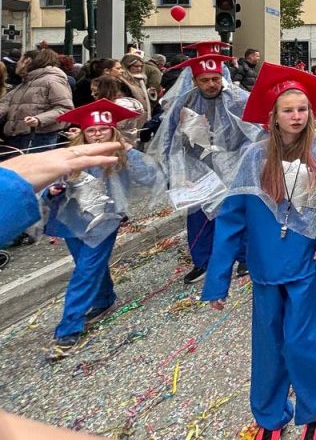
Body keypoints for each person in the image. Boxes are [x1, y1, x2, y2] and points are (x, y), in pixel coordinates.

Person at [202, 64, 316, 440]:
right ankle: (269, 415)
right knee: (267, 346)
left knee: (303, 342)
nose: (296, 116)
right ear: (273, 115)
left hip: (305, 267)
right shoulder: (253, 158)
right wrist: (217, 279)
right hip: (266, 269)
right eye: (288, 110)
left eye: (302, 109)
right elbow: (231, 221)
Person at [42, 100, 162, 360]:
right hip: (70, 221)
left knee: (84, 272)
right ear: (83, 132)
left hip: (103, 222)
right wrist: (50, 191)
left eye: (102, 129)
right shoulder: (69, 155)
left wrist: (129, 151)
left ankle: (68, 330)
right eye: (91, 130)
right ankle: (105, 298)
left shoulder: (119, 156)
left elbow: (151, 177)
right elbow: (46, 182)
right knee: (89, 266)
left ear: (112, 131)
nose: (97, 134)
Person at [149, 48, 255, 284]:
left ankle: (244, 257)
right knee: (197, 214)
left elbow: (254, 130)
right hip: (197, 165)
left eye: (215, 79)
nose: (211, 84)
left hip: (233, 161)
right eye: (205, 80)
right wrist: (172, 170)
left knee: (236, 211)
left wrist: (249, 161)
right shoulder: (184, 101)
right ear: (195, 80)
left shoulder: (238, 98)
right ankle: (203, 262)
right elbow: (168, 138)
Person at [0, 48, 74, 154]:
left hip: (39, 139)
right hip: (18, 140)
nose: (17, 64)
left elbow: (65, 108)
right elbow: (4, 105)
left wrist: (39, 119)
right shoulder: (24, 84)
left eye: (20, 60)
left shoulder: (52, 81)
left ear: (27, 61)